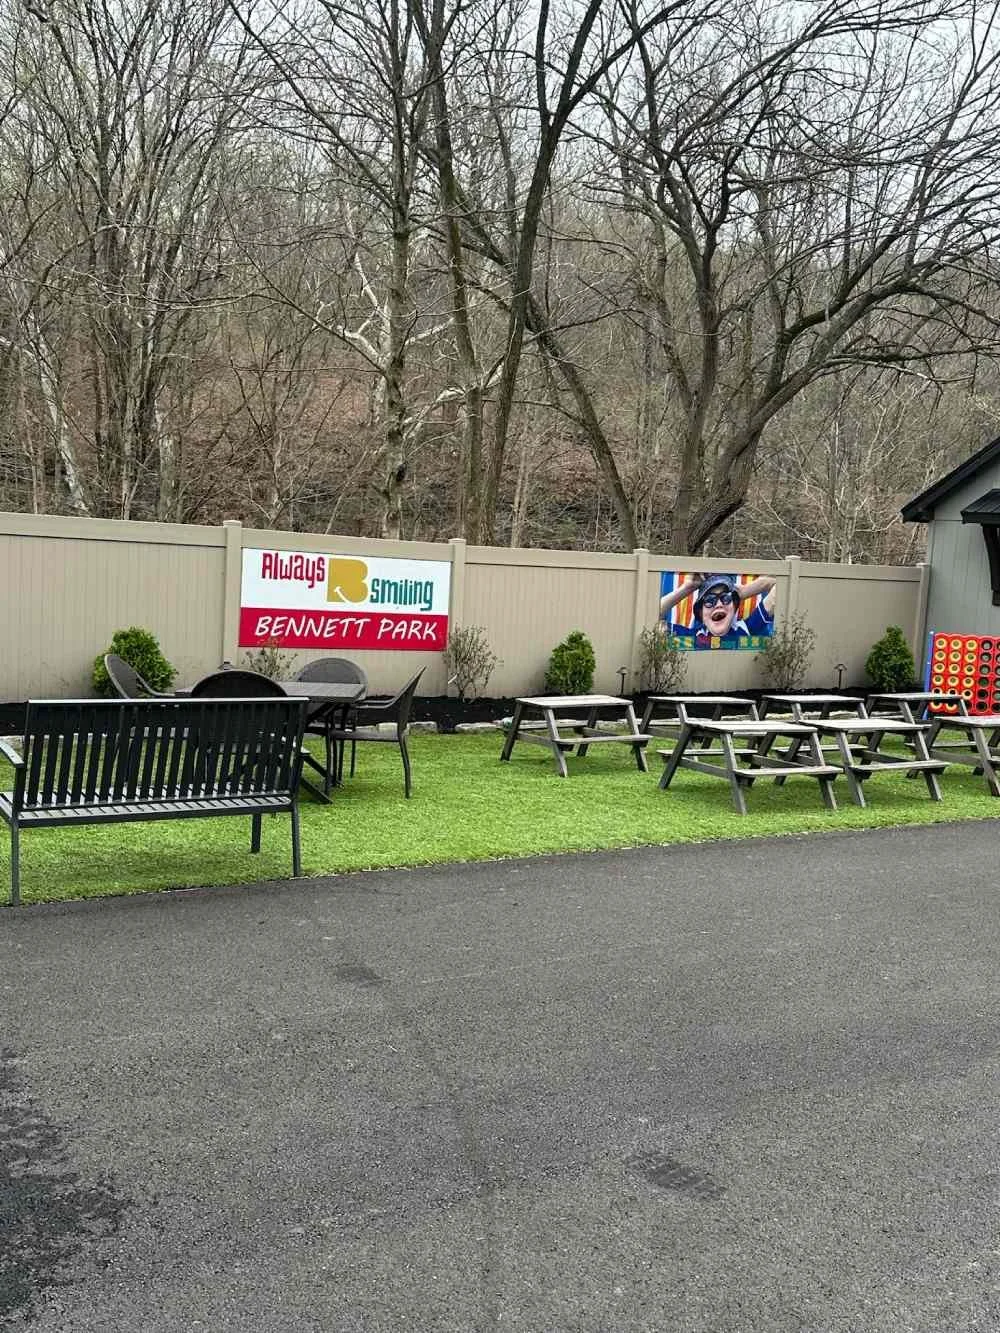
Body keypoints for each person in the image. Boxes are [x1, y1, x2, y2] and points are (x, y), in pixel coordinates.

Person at [660, 571, 776, 646]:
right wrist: (686, 589)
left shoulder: (745, 630)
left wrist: (742, 592)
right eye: (710, 601)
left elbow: (780, 587)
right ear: (701, 614)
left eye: (726, 598)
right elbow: (648, 618)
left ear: (734, 607)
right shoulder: (691, 638)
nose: (719, 604)